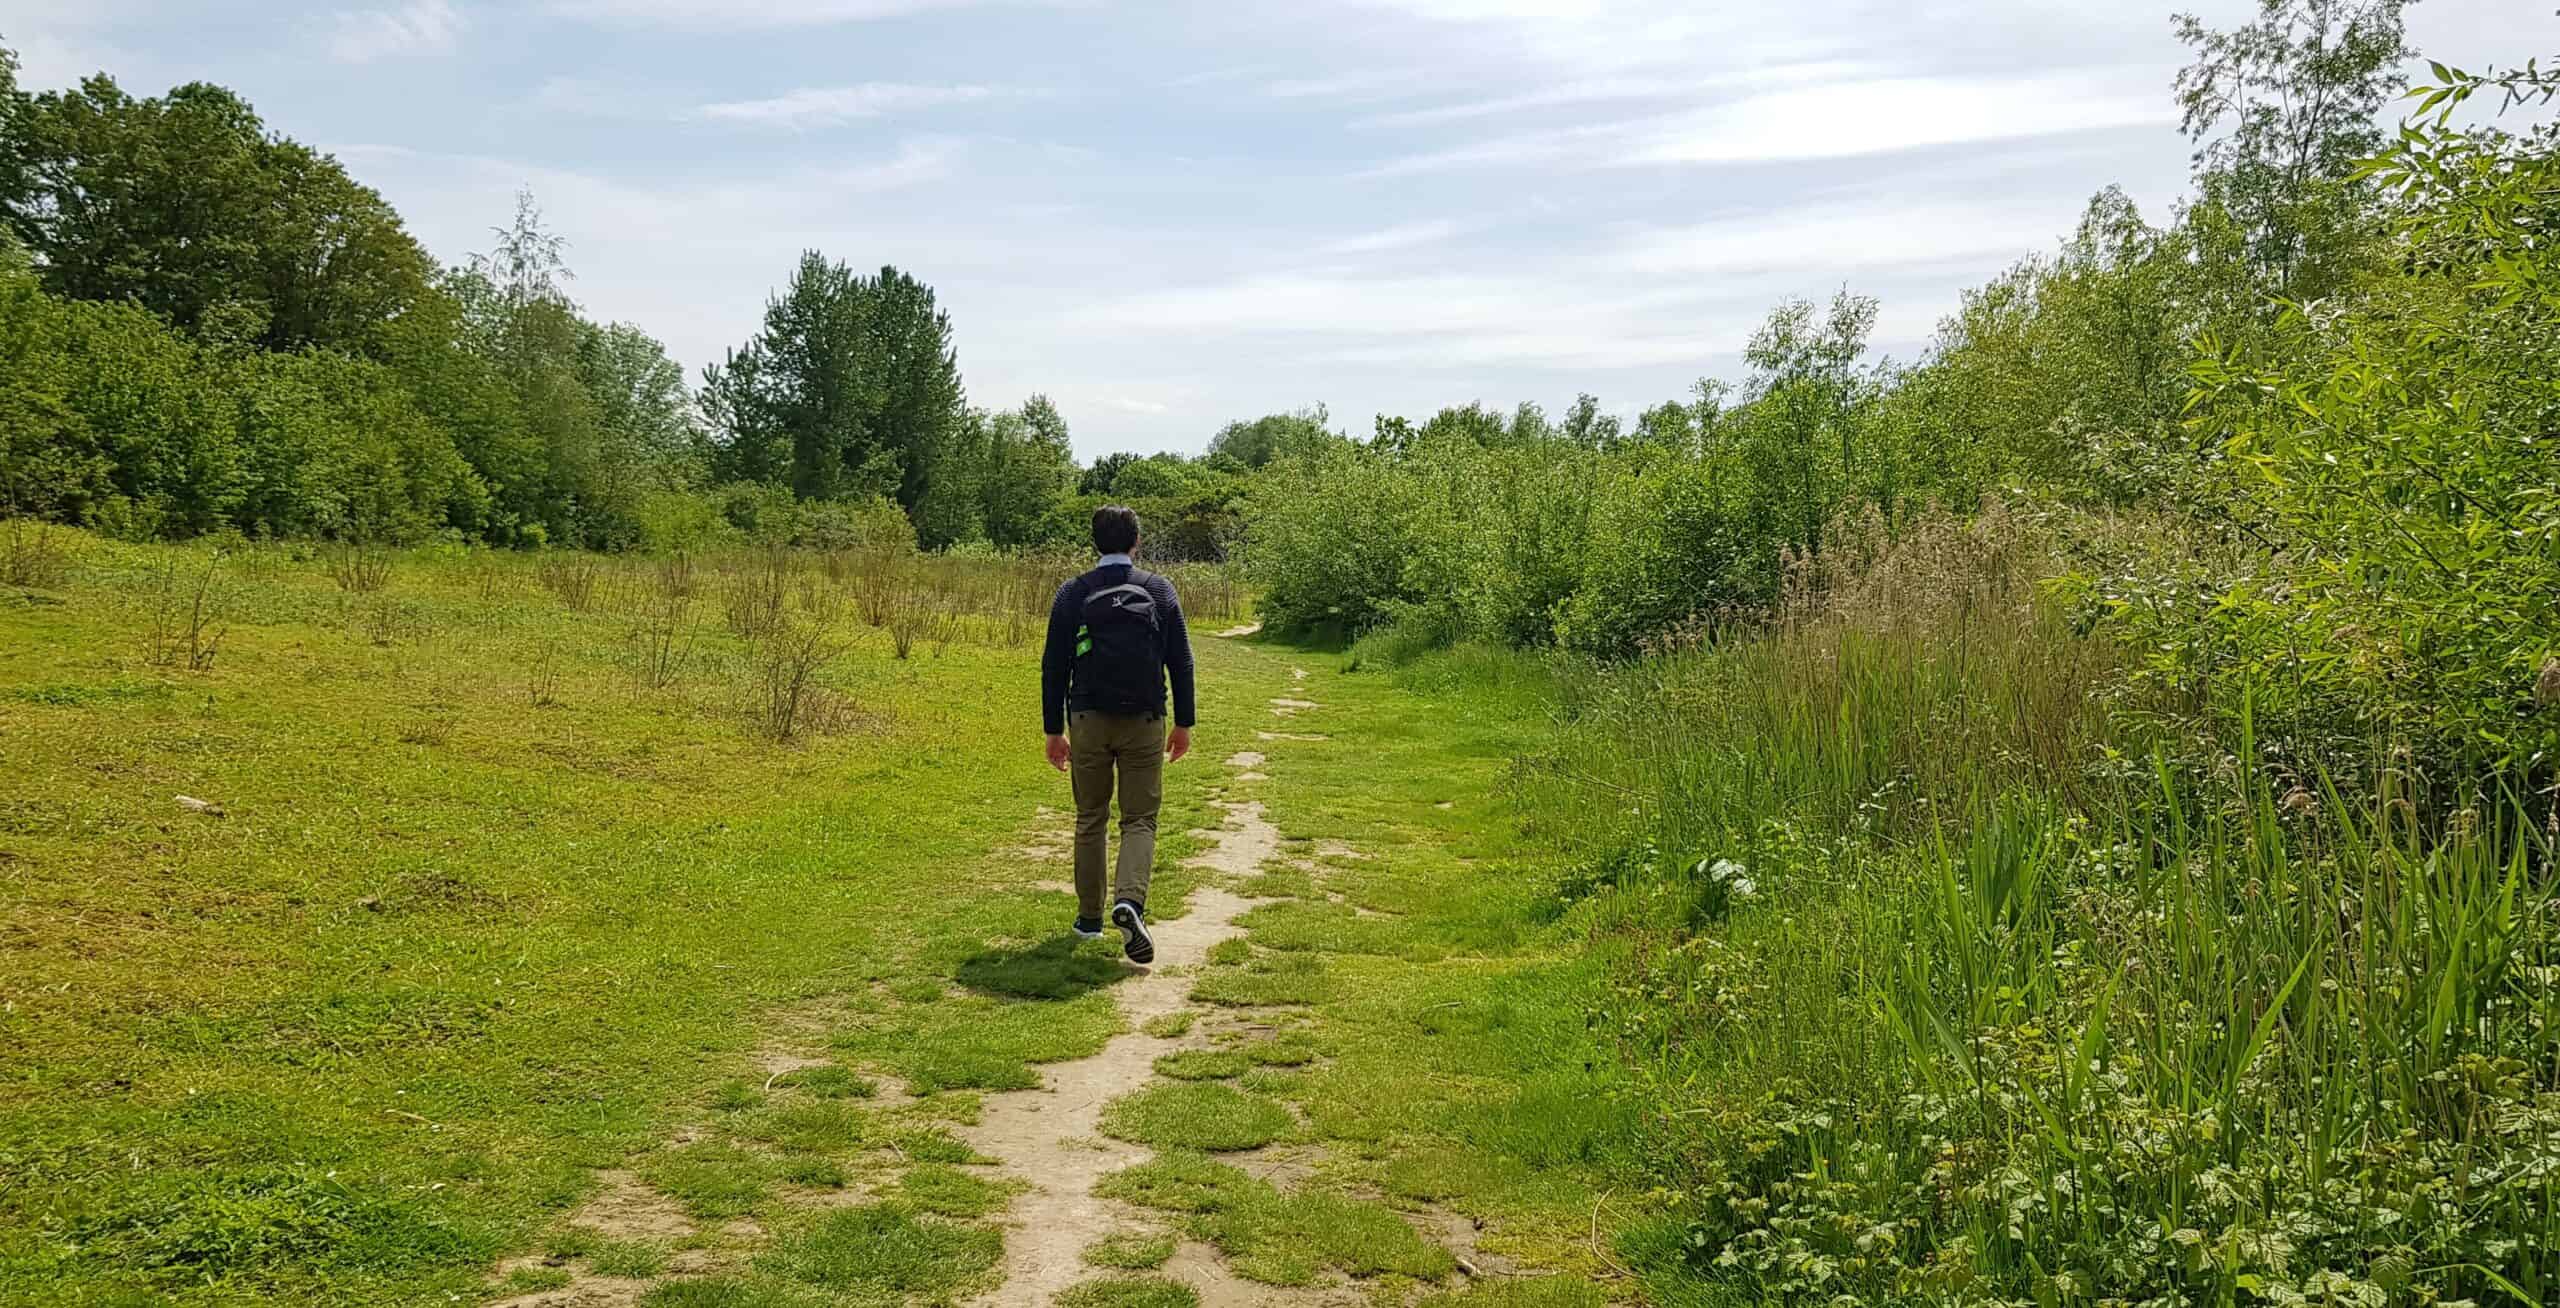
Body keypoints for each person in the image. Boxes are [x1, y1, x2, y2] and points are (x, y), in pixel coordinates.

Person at [1041, 505, 1195, 963]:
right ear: (1137, 541)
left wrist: (1054, 729)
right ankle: (1129, 901)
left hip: (1087, 718)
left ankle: (1089, 919)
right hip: (1144, 720)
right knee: (1139, 819)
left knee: (1091, 816)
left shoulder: (1073, 593)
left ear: (1095, 543)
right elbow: (1181, 661)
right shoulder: (1159, 590)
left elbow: (1054, 666)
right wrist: (1183, 722)